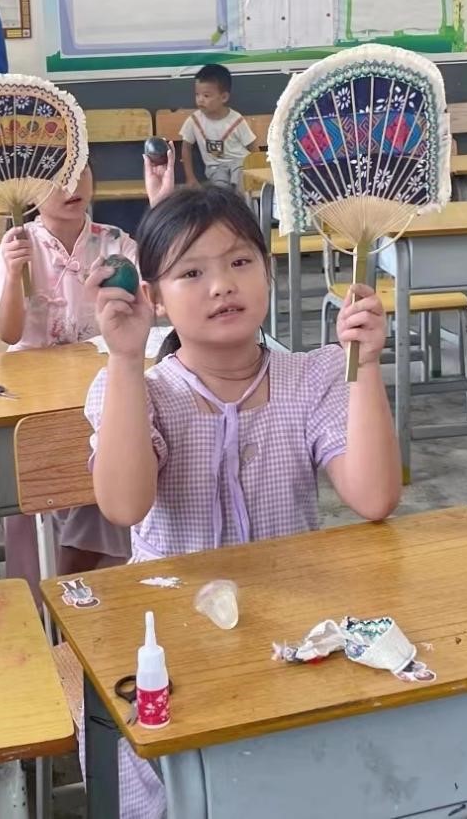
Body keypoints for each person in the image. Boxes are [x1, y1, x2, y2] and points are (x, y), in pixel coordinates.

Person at [83, 186, 401, 818]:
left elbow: (374, 497)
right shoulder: (140, 390)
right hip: (171, 639)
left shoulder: (312, 376)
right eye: (191, 273)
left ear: (268, 271)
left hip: (295, 628)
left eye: (239, 262)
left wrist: (363, 366)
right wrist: (124, 359)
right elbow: (123, 505)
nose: (221, 285)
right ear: (153, 297)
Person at [0, 151, 176, 597]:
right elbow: (8, 332)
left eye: (80, 172)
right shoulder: (21, 243)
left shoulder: (115, 242)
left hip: (99, 392)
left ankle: (92, 583)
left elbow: (159, 298)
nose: (72, 187)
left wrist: (160, 206)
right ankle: (39, 595)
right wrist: (14, 274)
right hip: (34, 398)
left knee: (109, 465)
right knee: (34, 481)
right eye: (56, 179)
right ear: (31, 191)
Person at [179, 64, 256, 190]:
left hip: (240, 163)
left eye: (206, 96)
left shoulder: (236, 120)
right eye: (197, 94)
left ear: (224, 97)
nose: (200, 100)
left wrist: (257, 171)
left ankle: (244, 203)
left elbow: (252, 145)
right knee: (219, 189)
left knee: (242, 184)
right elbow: (186, 147)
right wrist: (190, 178)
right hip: (215, 168)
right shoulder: (194, 121)